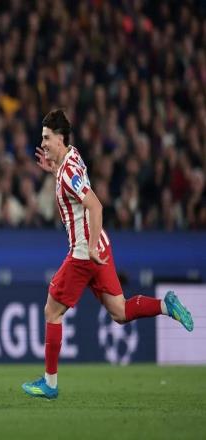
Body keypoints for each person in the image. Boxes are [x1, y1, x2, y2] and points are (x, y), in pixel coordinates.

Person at [22, 109, 194, 400]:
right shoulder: (72, 156)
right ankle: (166, 305)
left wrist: (89, 248)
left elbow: (96, 206)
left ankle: (49, 384)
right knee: (120, 312)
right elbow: (73, 184)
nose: (44, 143)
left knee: (51, 312)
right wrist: (52, 168)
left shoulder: (69, 172)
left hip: (84, 253)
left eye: (47, 138)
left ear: (60, 138)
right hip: (101, 246)